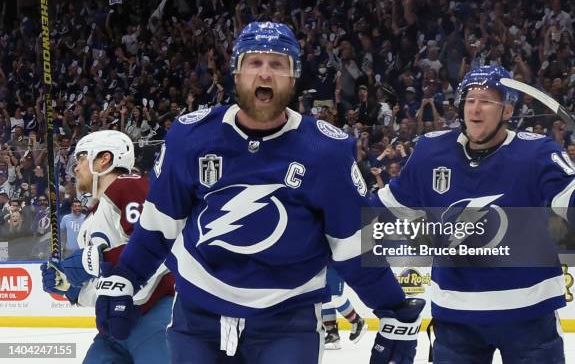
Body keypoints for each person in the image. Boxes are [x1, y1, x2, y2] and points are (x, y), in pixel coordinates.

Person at [94, 22, 425, 364]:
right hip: (198, 318)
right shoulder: (190, 138)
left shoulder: (326, 151)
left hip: (287, 322)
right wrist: (125, 276)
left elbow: (353, 247)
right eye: (254, 63)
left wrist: (393, 309)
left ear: (293, 77)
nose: (265, 73)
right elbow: (158, 226)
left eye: (277, 64)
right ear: (236, 73)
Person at [373, 65, 575, 363]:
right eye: (469, 99)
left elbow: (572, 193)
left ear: (508, 111)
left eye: (487, 100)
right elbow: (384, 210)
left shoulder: (536, 152)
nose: (475, 108)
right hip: (456, 316)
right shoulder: (430, 152)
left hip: (529, 315)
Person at [40, 130, 174, 364]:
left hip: (153, 317)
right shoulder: (91, 218)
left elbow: (160, 248)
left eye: (82, 158)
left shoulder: (131, 186)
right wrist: (72, 288)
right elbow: (103, 282)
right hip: (112, 328)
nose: (76, 168)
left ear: (105, 159)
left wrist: (99, 259)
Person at [322, 267, 368, 350]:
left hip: (333, 263)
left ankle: (357, 321)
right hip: (321, 264)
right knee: (324, 299)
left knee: (334, 296)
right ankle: (332, 334)